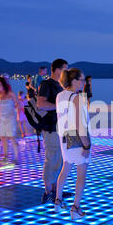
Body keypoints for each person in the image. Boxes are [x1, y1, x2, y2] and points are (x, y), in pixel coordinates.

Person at [54, 68, 91, 220]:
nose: (84, 83)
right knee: (81, 173)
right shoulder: (76, 98)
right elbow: (79, 125)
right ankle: (75, 208)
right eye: (81, 80)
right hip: (76, 138)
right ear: (74, 81)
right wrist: (87, 145)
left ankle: (58, 201)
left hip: (64, 137)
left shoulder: (60, 96)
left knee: (66, 167)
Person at [38, 59, 68, 203]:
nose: (66, 72)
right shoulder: (47, 84)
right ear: (56, 70)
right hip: (51, 127)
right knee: (52, 158)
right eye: (64, 69)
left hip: (61, 127)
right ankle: (48, 192)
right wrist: (59, 107)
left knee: (60, 160)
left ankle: (56, 191)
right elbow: (40, 103)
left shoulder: (61, 86)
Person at [0, 77, 20, 165]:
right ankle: (6, 157)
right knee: (3, 138)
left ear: (4, 84)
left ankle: (16, 158)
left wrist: (14, 112)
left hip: (10, 119)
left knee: (12, 137)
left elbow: (18, 104)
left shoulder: (11, 94)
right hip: (1, 119)